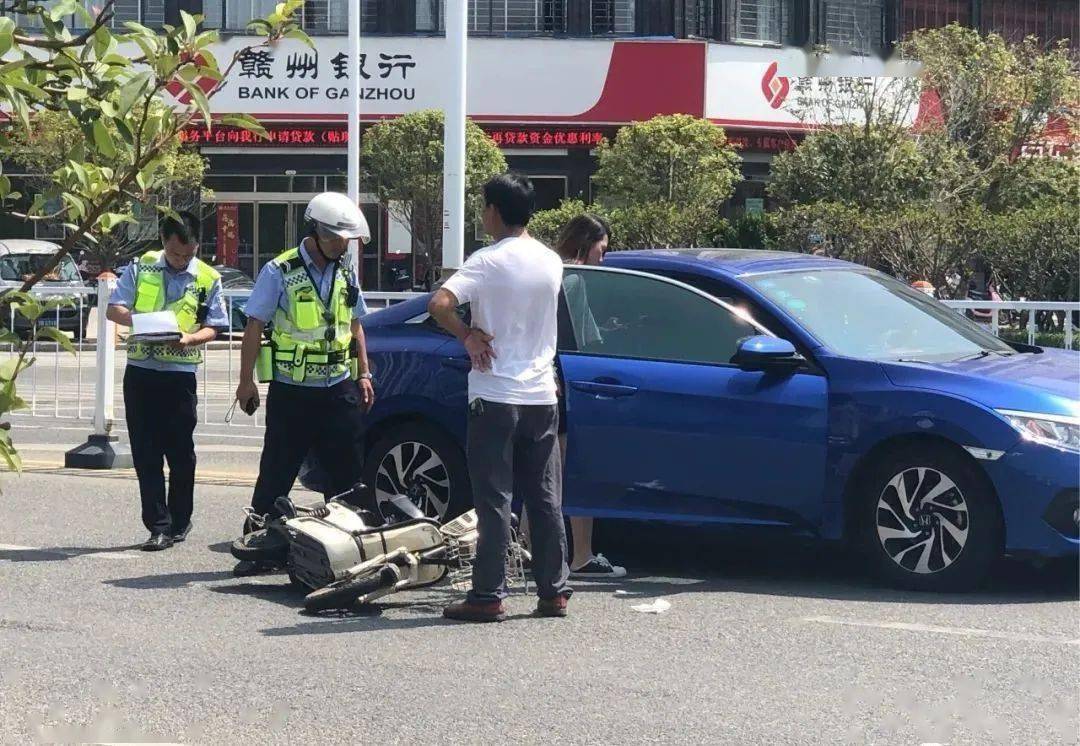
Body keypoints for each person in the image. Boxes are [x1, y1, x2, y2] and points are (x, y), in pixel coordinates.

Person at [430, 173, 572, 622]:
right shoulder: (551, 260)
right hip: (540, 395)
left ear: (494, 210)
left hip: (494, 393)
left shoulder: (486, 261)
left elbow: (439, 304)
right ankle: (554, 591)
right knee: (545, 496)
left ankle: (488, 595)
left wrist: (468, 335)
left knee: (495, 498)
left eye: (484, 207)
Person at [232, 192, 376, 576]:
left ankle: (343, 550)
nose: (341, 245)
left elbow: (355, 324)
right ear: (317, 232)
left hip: (338, 387)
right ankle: (258, 546)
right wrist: (246, 382)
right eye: (335, 239)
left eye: (346, 240)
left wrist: (364, 372)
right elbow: (254, 325)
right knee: (278, 470)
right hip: (293, 390)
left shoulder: (345, 270)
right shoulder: (280, 270)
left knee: (346, 473)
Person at [107, 212, 229, 551]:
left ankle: (179, 519)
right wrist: (144, 322)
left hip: (179, 375)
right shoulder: (141, 267)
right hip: (142, 371)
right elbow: (113, 309)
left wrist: (190, 339)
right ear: (163, 243)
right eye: (176, 254)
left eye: (188, 254)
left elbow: (216, 325)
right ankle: (157, 526)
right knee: (146, 453)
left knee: (180, 453)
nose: (182, 260)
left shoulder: (208, 277)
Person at [522, 214, 627, 579]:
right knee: (570, 469)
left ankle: (527, 546)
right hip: (570, 379)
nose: (604, 258)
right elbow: (587, 338)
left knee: (543, 468)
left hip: (540, 375)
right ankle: (580, 554)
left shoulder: (548, 270)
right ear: (586, 245)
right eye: (602, 249)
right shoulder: (578, 279)